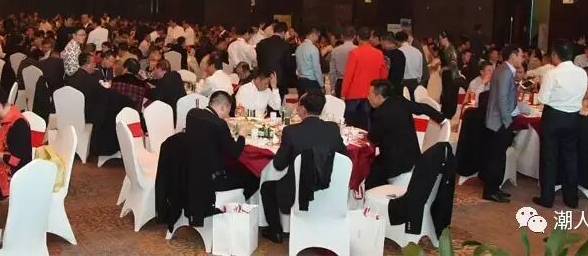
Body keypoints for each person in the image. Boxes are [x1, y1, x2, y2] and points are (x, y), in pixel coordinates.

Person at [260, 92, 347, 243]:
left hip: (298, 191)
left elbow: (278, 165)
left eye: (299, 105)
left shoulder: (291, 131)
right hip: (328, 186)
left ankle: (275, 231)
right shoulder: (333, 128)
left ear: (303, 109)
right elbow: (343, 155)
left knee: (267, 188)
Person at [533, 41, 587, 209]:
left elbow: (542, 98)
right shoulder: (582, 73)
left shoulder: (552, 73)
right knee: (570, 158)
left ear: (555, 55)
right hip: (573, 117)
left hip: (554, 117)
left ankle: (547, 198)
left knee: (549, 158)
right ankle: (571, 199)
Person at [365, 79, 445, 190]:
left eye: (370, 94)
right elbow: (423, 108)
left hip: (396, 164)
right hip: (414, 157)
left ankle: (376, 194)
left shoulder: (380, 114)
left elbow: (372, 138)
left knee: (369, 168)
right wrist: (443, 120)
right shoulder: (400, 101)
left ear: (379, 97)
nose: (368, 97)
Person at [185, 91, 258, 201]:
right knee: (254, 176)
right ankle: (236, 203)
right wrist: (242, 135)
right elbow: (234, 153)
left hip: (193, 171)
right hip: (214, 178)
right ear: (223, 107)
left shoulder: (192, 113)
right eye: (228, 111)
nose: (227, 115)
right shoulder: (219, 124)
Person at [482, 44, 524, 203]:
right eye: (520, 55)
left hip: (497, 120)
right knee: (496, 158)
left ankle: (494, 188)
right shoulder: (506, 72)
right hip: (499, 121)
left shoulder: (503, 69)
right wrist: (507, 122)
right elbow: (502, 99)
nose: (522, 58)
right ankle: (490, 191)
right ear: (512, 55)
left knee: (498, 157)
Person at [341, 27, 387, 130]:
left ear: (357, 37)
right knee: (368, 123)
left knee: (350, 125)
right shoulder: (379, 53)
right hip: (372, 93)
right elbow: (383, 74)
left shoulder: (354, 53)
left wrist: (343, 93)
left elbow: (348, 75)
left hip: (353, 93)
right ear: (370, 37)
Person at [67, 53, 108, 126]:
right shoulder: (92, 81)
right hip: (86, 118)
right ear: (87, 65)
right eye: (93, 63)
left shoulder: (71, 78)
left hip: (71, 115)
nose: (95, 65)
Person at [256, 21, 295, 99]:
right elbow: (288, 64)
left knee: (264, 100)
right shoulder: (286, 45)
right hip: (280, 79)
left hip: (263, 78)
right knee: (278, 101)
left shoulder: (261, 43)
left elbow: (259, 61)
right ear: (283, 32)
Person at [148, 59, 186, 125]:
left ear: (160, 69)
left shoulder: (162, 82)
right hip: (182, 110)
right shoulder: (176, 74)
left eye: (155, 69)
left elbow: (156, 98)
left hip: (170, 115)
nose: (154, 72)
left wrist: (150, 90)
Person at [438, 31, 461, 120]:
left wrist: (443, 69)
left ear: (446, 39)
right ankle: (445, 114)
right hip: (446, 75)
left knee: (450, 96)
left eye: (441, 39)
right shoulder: (445, 49)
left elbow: (453, 63)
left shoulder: (451, 49)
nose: (440, 41)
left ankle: (448, 115)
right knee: (445, 95)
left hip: (451, 76)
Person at [329, 27, 356, 98]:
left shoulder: (335, 50)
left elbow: (332, 71)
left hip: (340, 82)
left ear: (342, 36)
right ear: (355, 36)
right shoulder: (358, 49)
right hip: (354, 82)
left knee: (340, 104)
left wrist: (332, 87)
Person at [295, 27, 324, 94]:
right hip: (311, 82)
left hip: (300, 81)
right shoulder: (313, 49)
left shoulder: (298, 48)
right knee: (313, 100)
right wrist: (321, 84)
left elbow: (297, 66)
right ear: (313, 35)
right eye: (317, 36)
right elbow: (316, 68)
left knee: (302, 100)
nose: (317, 39)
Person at [397, 31, 424, 100]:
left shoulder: (398, 52)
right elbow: (420, 68)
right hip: (415, 82)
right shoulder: (417, 51)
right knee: (414, 102)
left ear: (397, 41)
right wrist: (418, 80)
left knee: (403, 103)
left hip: (403, 82)